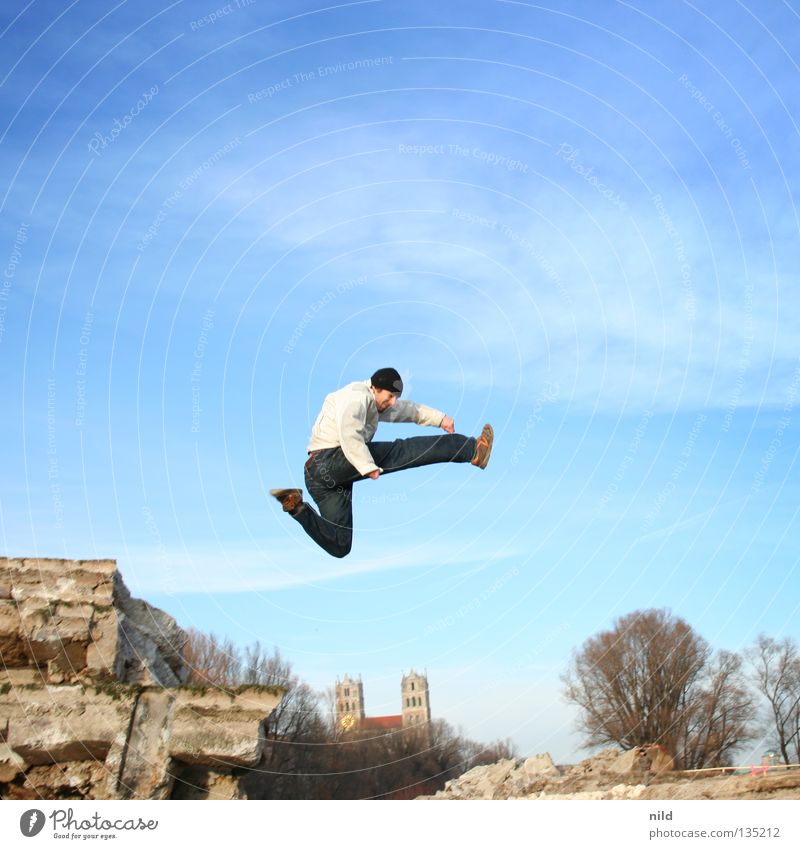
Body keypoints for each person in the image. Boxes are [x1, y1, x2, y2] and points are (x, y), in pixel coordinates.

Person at [270, 367, 493, 558]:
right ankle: (473, 450)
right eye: (389, 396)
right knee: (402, 451)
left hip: (320, 480)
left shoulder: (376, 400)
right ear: (376, 387)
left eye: (395, 397)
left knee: (340, 544)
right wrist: (368, 466)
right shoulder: (357, 397)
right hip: (328, 460)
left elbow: (408, 410)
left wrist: (440, 419)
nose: (392, 402)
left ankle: (296, 505)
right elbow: (349, 433)